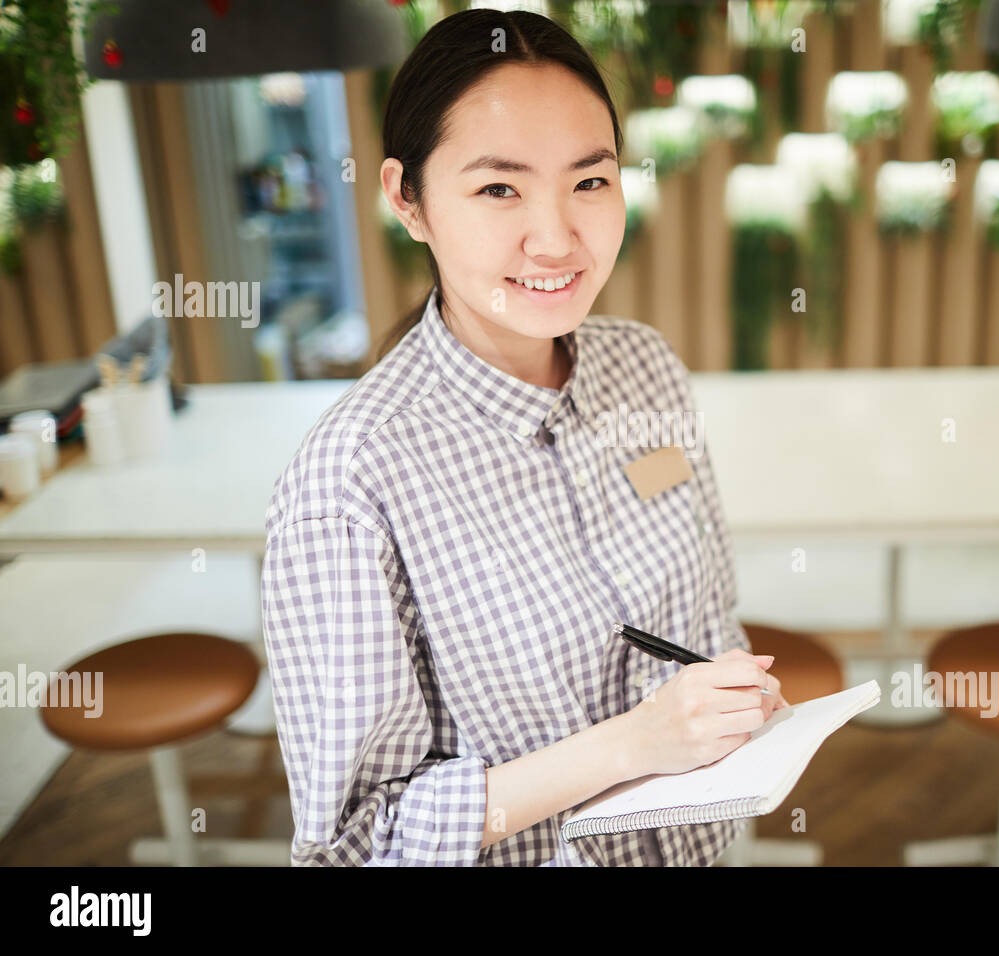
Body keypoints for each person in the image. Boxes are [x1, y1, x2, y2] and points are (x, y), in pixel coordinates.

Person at [260, 7, 786, 867]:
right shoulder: (349, 486)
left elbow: (710, 611)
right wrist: (631, 744)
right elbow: (357, 846)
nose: (557, 239)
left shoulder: (646, 370)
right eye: (499, 188)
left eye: (590, 182)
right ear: (408, 198)